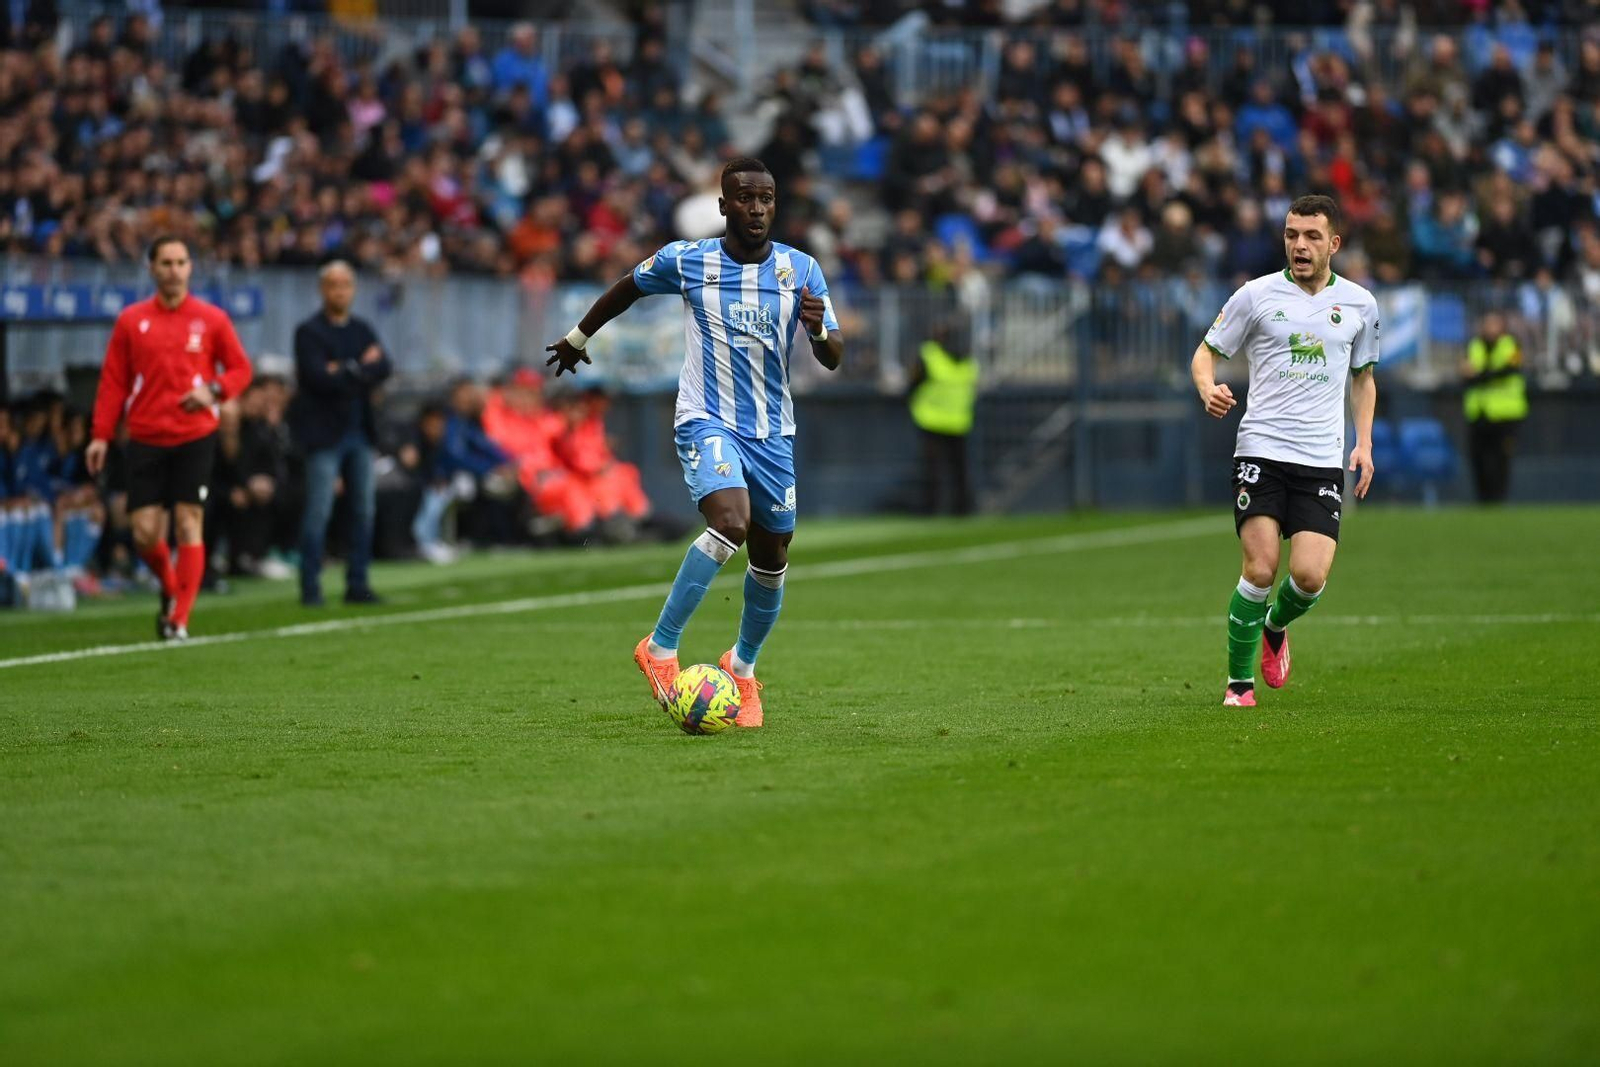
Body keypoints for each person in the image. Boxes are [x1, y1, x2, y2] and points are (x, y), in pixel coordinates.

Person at [545, 157, 844, 728]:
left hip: (773, 432)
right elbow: (627, 288)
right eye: (745, 198)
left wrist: (819, 329)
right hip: (706, 419)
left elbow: (833, 357)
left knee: (772, 557)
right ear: (724, 205)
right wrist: (578, 336)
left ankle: (743, 668)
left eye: (766, 198)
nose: (756, 208)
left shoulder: (801, 270)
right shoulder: (690, 260)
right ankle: (659, 649)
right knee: (730, 522)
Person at [1190, 194, 1379, 708]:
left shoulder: (1361, 304)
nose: (1300, 244)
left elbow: (1364, 379)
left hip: (1321, 458)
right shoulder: (1255, 295)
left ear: (1333, 244)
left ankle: (1276, 625)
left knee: (1310, 577)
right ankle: (1238, 684)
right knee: (1260, 569)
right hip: (1261, 450)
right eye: (1293, 234)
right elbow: (1206, 352)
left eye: (1312, 236)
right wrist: (1207, 387)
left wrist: (1363, 442)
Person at [87, 235, 254, 640]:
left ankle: (178, 619)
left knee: (188, 521)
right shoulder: (131, 320)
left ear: (190, 268)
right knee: (144, 532)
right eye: (166, 263)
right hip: (146, 434)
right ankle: (169, 583)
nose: (174, 270)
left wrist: (212, 391)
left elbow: (240, 369)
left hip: (195, 434)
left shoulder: (212, 319)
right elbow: (113, 381)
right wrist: (100, 436)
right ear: (152, 268)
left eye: (181, 262)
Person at [290, 260, 393, 606]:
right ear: (323, 290)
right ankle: (310, 587)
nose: (340, 291)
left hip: (359, 431)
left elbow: (385, 367)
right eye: (334, 285)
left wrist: (344, 369)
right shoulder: (309, 332)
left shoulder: (361, 328)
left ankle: (358, 584)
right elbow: (318, 377)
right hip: (324, 434)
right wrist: (361, 367)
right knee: (319, 511)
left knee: (363, 510)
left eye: (346, 285)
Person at [907, 321, 978, 516]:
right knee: (958, 470)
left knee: (934, 470)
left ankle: (933, 508)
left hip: (931, 419)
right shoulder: (968, 360)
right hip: (958, 420)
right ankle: (962, 508)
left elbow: (913, 382)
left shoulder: (930, 354)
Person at [1461, 310, 1527, 503]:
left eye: (1494, 324)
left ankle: (1499, 500)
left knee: (1501, 459)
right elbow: (1465, 375)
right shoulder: (1474, 345)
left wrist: (1480, 375)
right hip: (1479, 413)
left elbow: (1509, 370)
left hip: (1505, 414)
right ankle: (1483, 500)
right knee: (1478, 458)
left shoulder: (1512, 345)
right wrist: (1483, 375)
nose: (1490, 328)